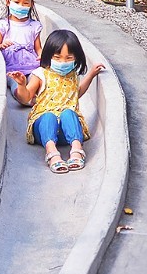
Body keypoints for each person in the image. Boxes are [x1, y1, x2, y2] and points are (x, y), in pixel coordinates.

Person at [8, 29, 106, 174]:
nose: (63, 62)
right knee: (49, 117)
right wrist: (22, 85)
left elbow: (76, 93)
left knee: (69, 113)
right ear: (49, 56)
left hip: (66, 132)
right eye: (57, 57)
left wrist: (91, 75)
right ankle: (52, 153)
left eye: (68, 58)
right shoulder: (40, 74)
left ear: (76, 58)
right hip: (43, 128)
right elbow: (25, 97)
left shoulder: (73, 75)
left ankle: (77, 149)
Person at [0, 0, 42, 101]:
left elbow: (38, 48)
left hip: (31, 65)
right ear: (8, 2)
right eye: (17, 2)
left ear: (31, 4)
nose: (21, 6)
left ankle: (33, 96)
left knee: (36, 79)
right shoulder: (3, 25)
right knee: (15, 81)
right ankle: (22, 96)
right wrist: (1, 46)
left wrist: (42, 56)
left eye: (25, 3)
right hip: (11, 67)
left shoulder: (34, 26)